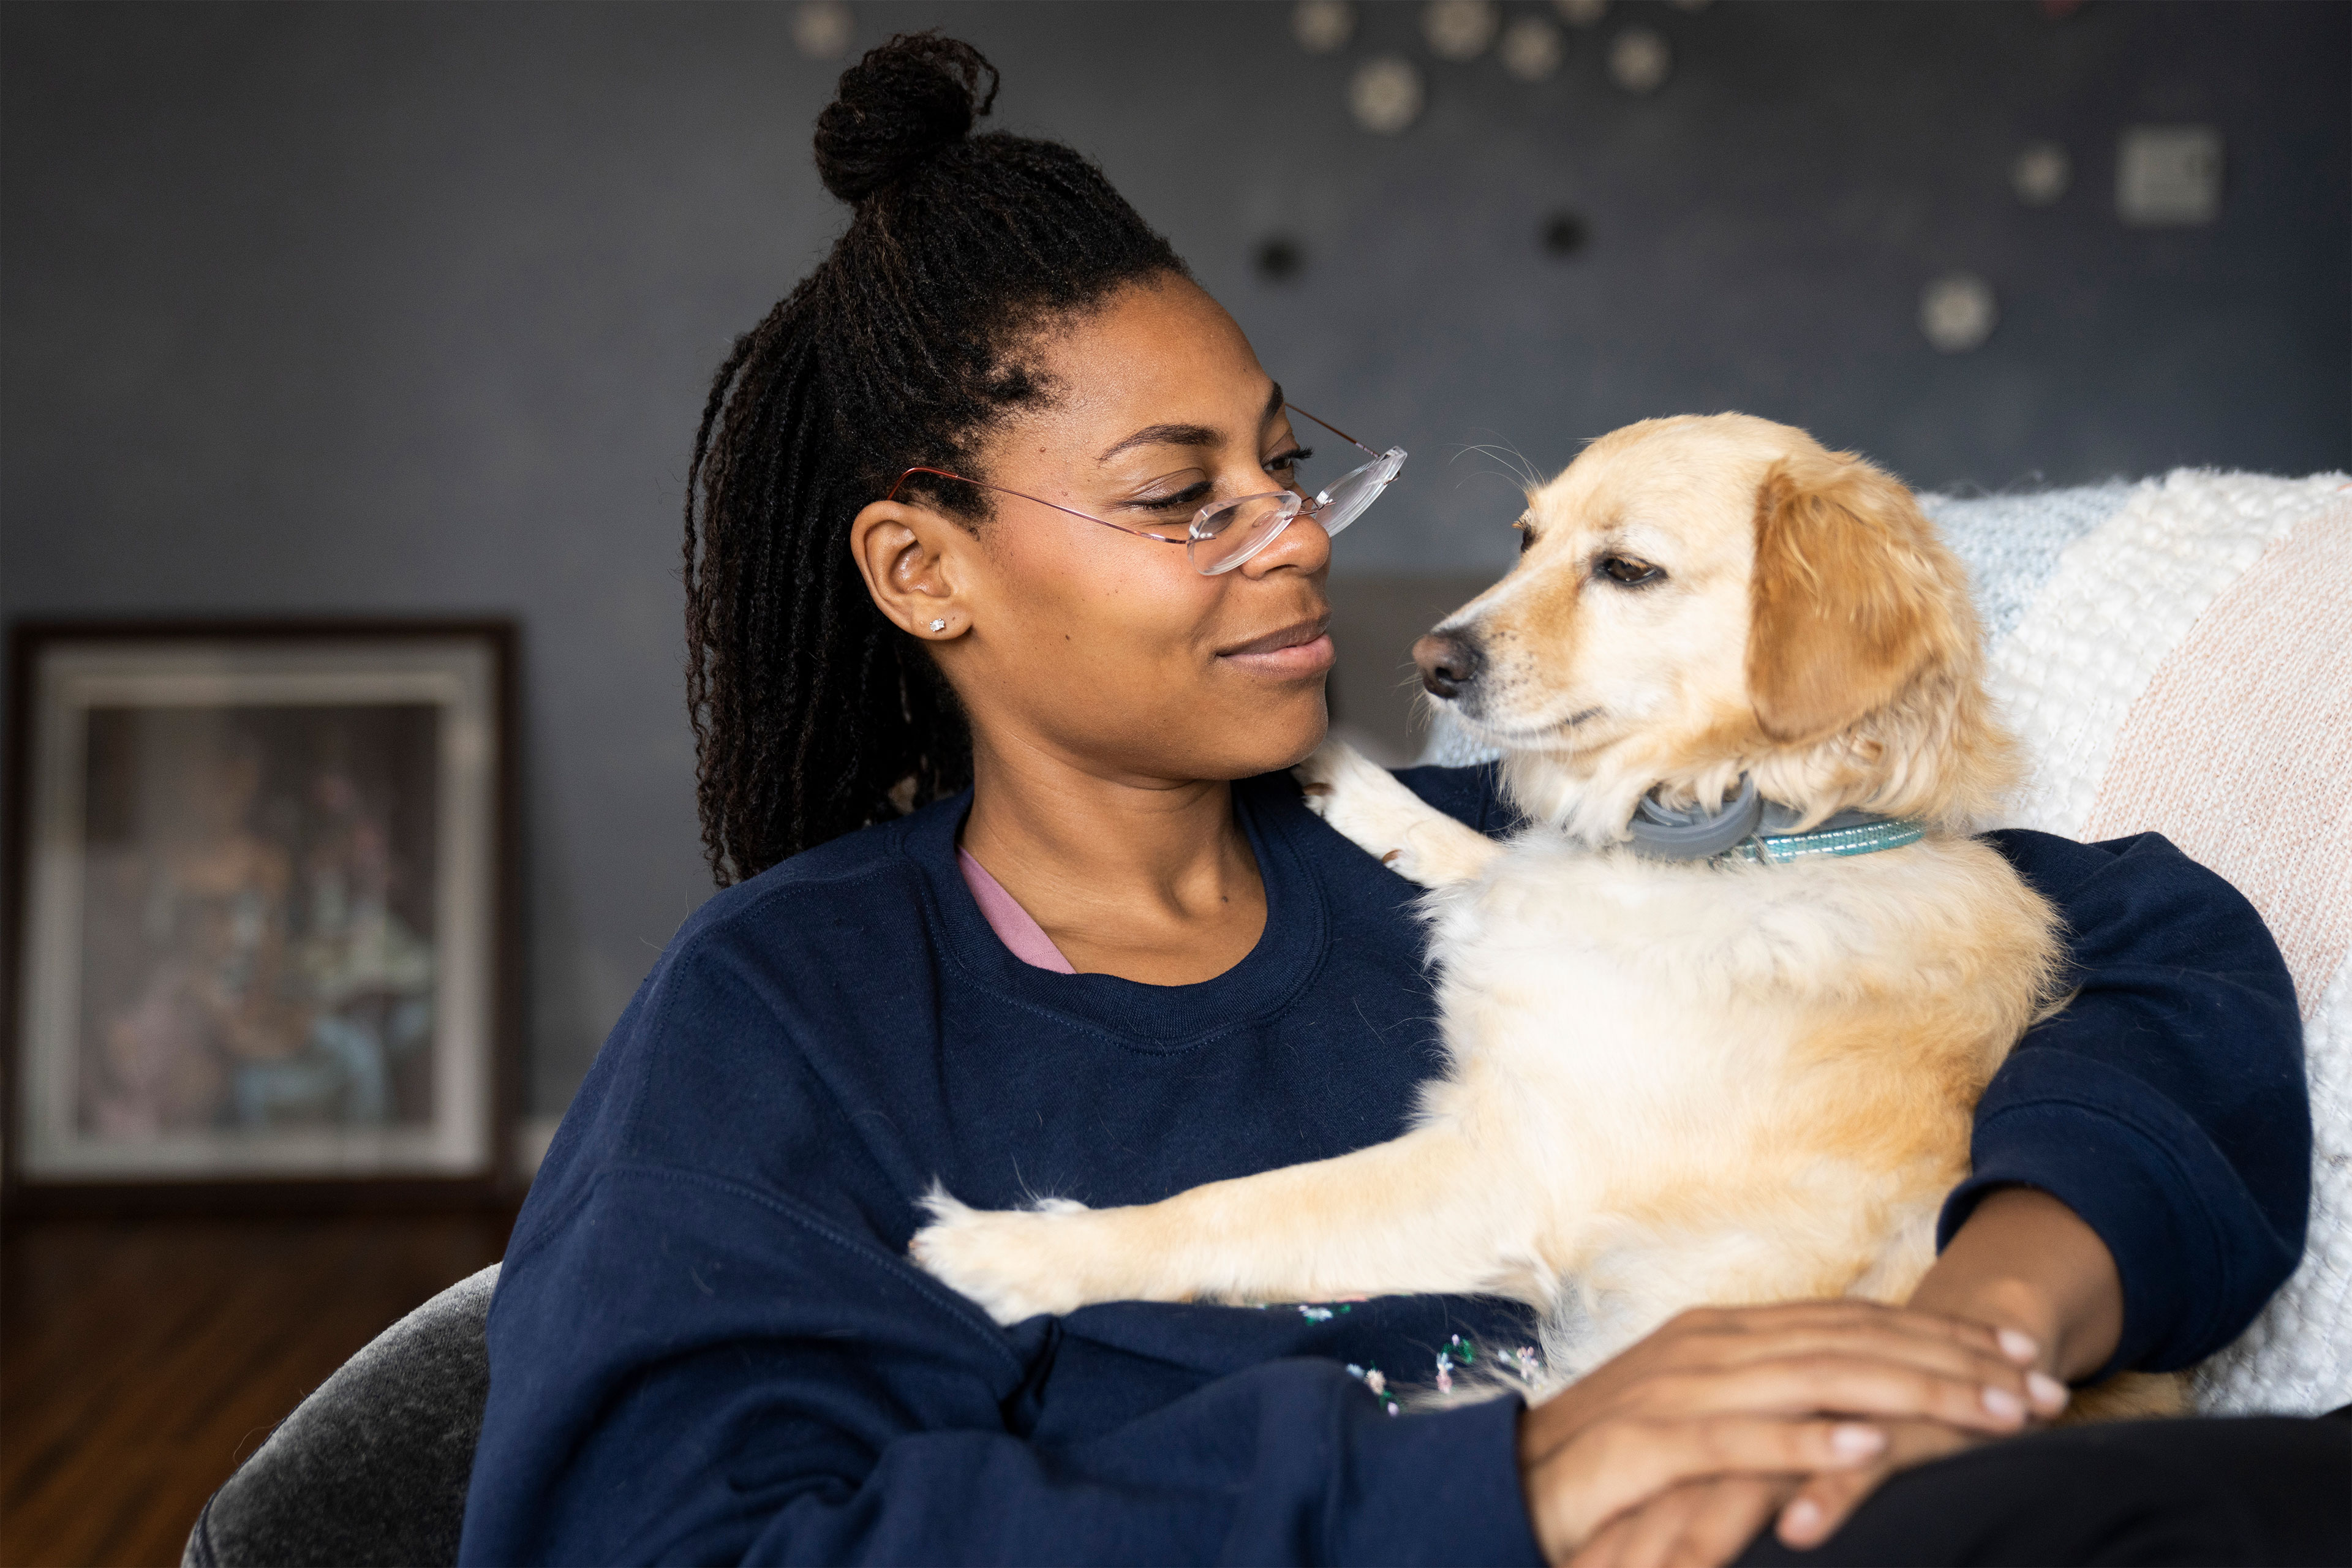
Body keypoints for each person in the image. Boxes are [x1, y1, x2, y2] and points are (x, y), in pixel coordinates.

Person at [459, 34, 2346, 1568]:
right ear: (924, 570)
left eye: (1288, 468)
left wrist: (1965, 1330)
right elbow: (683, 1540)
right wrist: (1498, 1489)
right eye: (1183, 498)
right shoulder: (796, 1012)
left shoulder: (1549, 855)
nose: (1290, 545)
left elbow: (2138, 947)